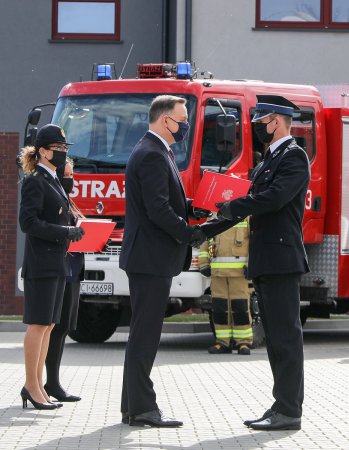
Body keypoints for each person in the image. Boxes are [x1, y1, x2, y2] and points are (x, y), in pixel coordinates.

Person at [203, 95, 310, 431]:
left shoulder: (294, 158)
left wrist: (232, 206)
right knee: (276, 340)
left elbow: (273, 199)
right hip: (266, 259)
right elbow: (250, 202)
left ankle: (290, 410)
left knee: (286, 339)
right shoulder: (268, 160)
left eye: (261, 122)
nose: (258, 128)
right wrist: (204, 226)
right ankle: (280, 404)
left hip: (282, 259)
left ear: (275, 121)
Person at [119, 95, 206, 428]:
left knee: (142, 333)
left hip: (147, 257)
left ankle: (132, 407)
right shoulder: (153, 154)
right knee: (145, 335)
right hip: (151, 257)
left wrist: (191, 208)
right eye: (182, 119)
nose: (186, 125)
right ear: (165, 119)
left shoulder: (156, 150)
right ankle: (143, 409)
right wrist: (189, 233)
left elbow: (166, 199)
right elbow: (157, 209)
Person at [19, 124, 85, 410]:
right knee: (38, 324)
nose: (62, 153)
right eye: (58, 149)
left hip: (56, 262)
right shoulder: (35, 180)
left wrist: (76, 228)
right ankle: (31, 387)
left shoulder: (54, 179)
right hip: (42, 263)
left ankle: (37, 387)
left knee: (48, 325)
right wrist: (65, 232)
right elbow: (28, 223)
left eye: (64, 149)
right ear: (43, 151)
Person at [44, 158, 84, 402]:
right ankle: (50, 383)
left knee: (64, 327)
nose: (72, 179)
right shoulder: (53, 199)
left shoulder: (69, 201)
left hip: (74, 269)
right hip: (60, 269)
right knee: (54, 328)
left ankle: (53, 383)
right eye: (68, 174)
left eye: (73, 174)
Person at [198, 218, 253, 355]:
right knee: (219, 308)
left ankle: (243, 342)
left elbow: (255, 242)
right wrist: (204, 263)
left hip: (239, 273)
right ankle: (223, 342)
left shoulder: (247, 216)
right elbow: (205, 240)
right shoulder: (214, 216)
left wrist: (251, 265)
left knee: (240, 307)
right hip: (217, 273)